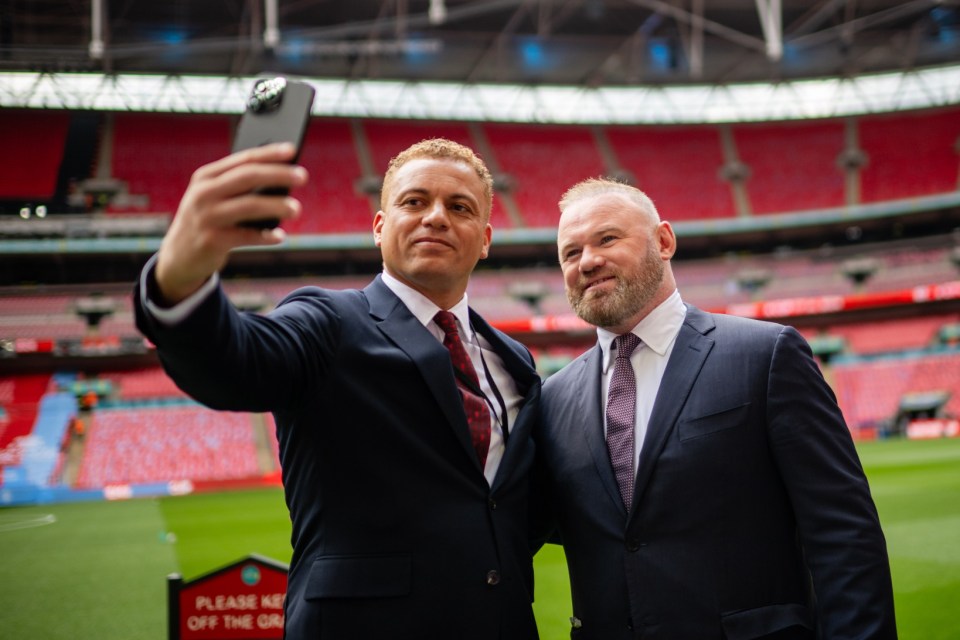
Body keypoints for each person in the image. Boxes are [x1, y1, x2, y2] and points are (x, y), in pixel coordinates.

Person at [134, 138, 542, 639]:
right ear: (379, 226)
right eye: (414, 202)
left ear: (484, 239)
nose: (436, 217)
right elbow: (233, 363)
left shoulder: (513, 360)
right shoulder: (328, 323)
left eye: (460, 207)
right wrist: (181, 274)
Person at [533, 178, 896, 639]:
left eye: (607, 238)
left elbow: (844, 534)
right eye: (570, 253)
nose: (587, 261)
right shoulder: (552, 398)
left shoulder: (765, 356)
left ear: (663, 241)